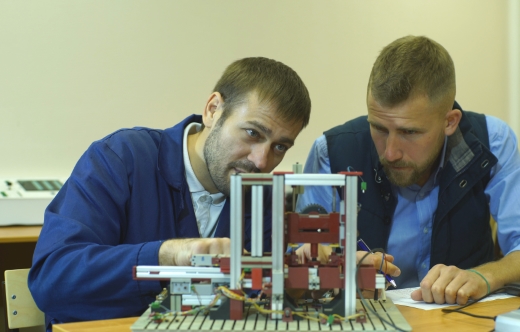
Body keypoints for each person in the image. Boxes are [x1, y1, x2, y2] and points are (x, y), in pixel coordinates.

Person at [28, 57, 311, 328]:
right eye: (252, 133)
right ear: (213, 110)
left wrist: (296, 279)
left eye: (280, 147)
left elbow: (254, 303)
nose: (262, 161)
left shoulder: (262, 198)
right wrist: (167, 256)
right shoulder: (121, 158)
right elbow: (52, 278)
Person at [296, 35, 520, 305]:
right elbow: (298, 258)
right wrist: (330, 266)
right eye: (378, 128)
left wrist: (485, 276)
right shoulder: (332, 153)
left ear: (450, 122)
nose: (390, 152)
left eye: (409, 132)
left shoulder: (490, 142)